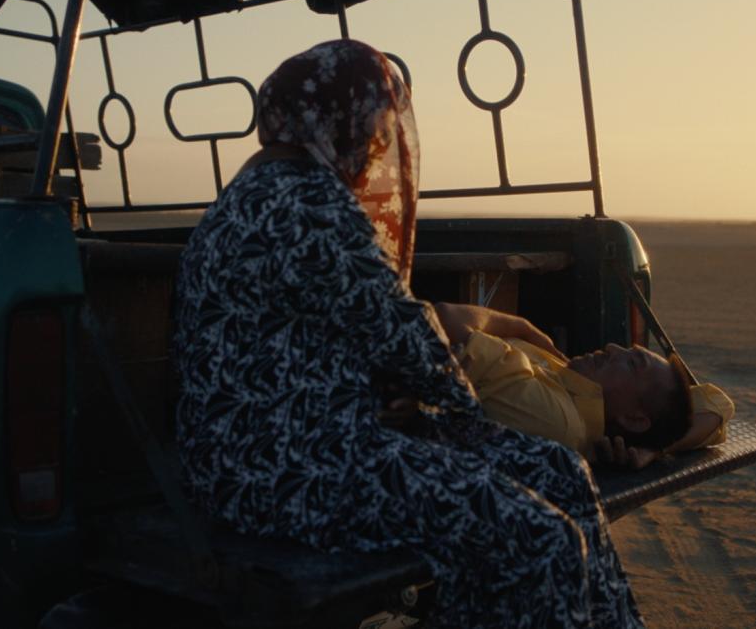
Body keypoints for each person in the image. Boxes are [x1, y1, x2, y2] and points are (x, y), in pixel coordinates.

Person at [173, 39, 644, 629]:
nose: (377, 148)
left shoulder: (253, 193)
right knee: (537, 536)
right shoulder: (307, 200)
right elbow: (406, 336)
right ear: (344, 121)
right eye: (375, 128)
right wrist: (450, 404)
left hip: (285, 450)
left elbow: (332, 332)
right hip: (285, 469)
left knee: (561, 473)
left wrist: (403, 394)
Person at [456, 332, 735, 469]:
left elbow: (446, 325)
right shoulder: (572, 382)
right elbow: (717, 403)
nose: (612, 348)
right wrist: (654, 450)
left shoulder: (554, 413)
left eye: (631, 363)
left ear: (634, 419)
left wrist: (517, 325)